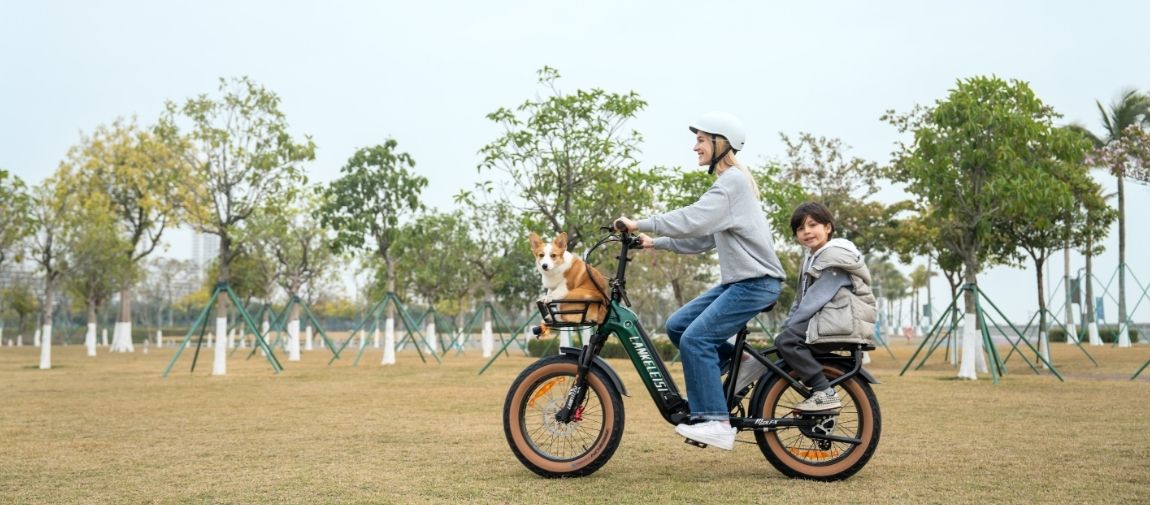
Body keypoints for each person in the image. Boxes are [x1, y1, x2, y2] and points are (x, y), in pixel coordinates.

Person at [616, 111, 785, 451]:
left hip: (756, 282)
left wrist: (640, 223)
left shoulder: (732, 182)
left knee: (696, 340)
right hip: (741, 282)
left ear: (722, 144)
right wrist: (655, 242)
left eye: (702, 140)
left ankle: (715, 421)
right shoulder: (730, 185)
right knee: (678, 326)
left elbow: (692, 219)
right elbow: (703, 237)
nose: (695, 147)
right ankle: (744, 363)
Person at [751, 201, 876, 412]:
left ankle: (824, 391)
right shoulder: (812, 258)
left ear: (828, 227)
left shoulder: (834, 257)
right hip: (833, 318)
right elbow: (801, 299)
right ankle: (819, 387)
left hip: (845, 320)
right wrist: (788, 324)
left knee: (788, 342)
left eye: (813, 225)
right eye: (800, 228)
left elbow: (814, 299)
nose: (807, 231)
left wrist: (790, 328)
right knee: (785, 341)